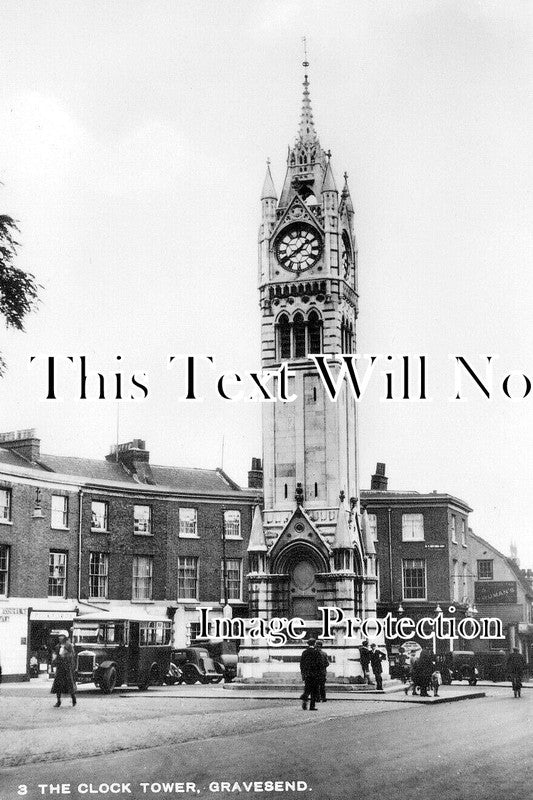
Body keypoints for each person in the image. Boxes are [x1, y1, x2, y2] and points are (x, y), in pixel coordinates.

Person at [50, 631, 77, 707]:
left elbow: (72, 655)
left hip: (67, 668)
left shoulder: (69, 646)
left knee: (70, 684)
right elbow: (55, 656)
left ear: (65, 637)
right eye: (59, 636)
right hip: (60, 668)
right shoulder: (57, 646)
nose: (60, 637)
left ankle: (73, 699)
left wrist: (65, 655)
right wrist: (55, 660)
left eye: (62, 636)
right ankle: (58, 701)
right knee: (58, 684)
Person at [300, 638, 322, 711]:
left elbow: (301, 664)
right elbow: (319, 664)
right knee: (314, 691)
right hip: (315, 674)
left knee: (307, 689)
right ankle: (312, 706)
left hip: (307, 674)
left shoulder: (304, 652)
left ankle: (305, 699)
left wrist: (303, 673)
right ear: (314, 643)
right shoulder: (316, 652)